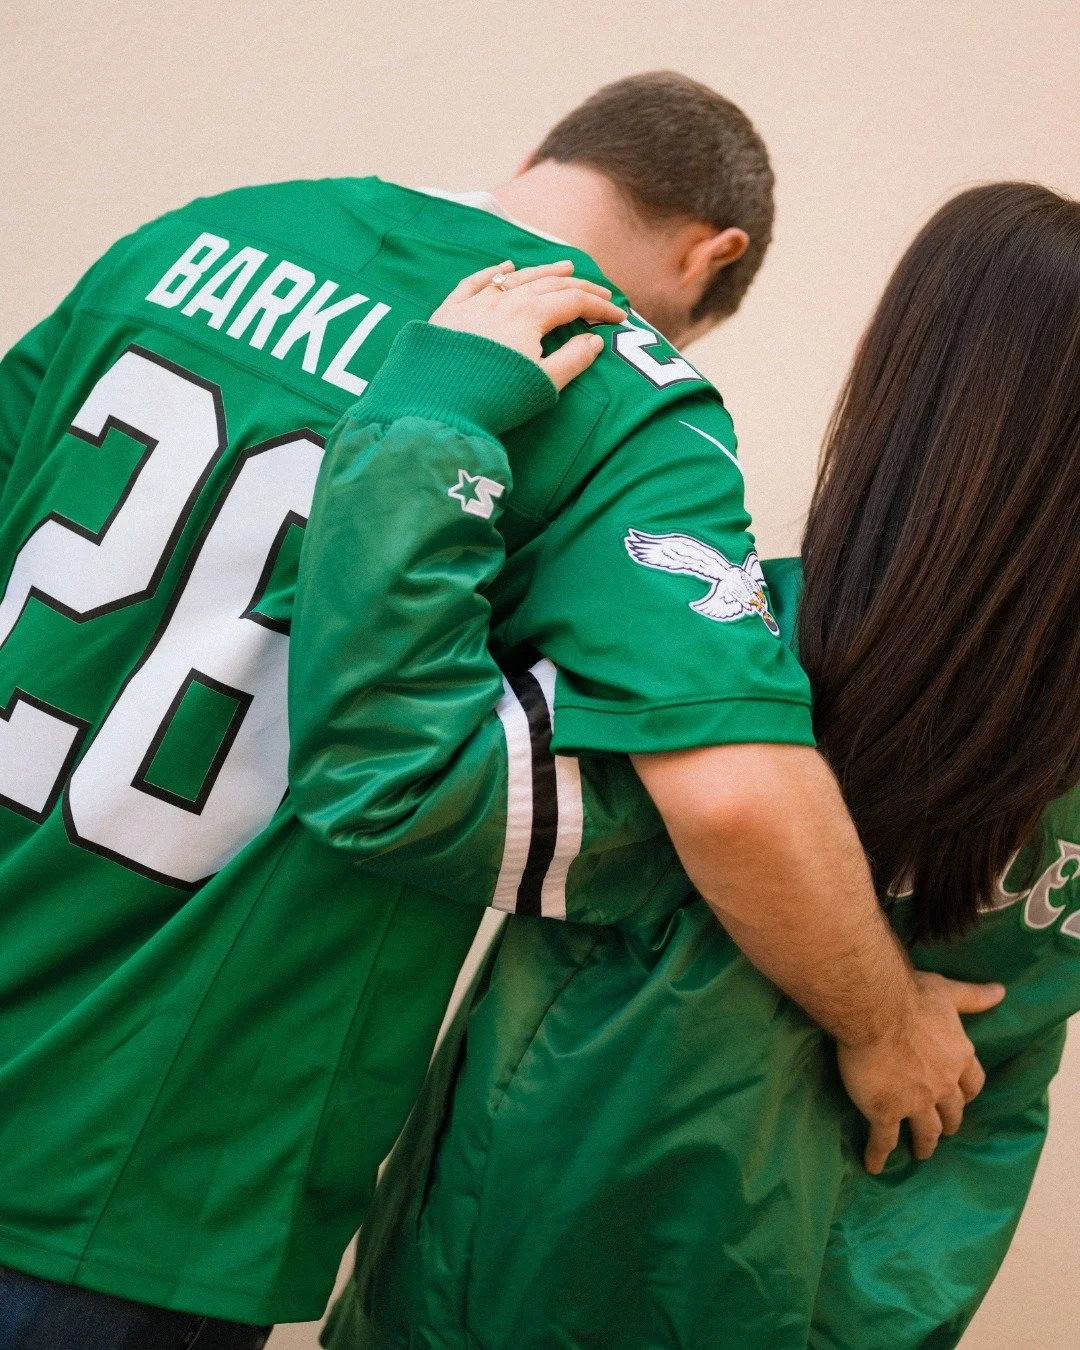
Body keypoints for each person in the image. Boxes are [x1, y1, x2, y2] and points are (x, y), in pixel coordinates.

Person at [0, 72, 990, 1347]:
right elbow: (735, 789)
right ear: (713, 254)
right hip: (140, 1164)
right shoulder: (626, 392)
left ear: (547, 157)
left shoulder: (197, 240)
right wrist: (881, 1016)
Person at [316, 181, 1080, 1349]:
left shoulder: (715, 647)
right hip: (873, 1294)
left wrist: (431, 425)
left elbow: (406, 788)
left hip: (547, 1269)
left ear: (907, 386)